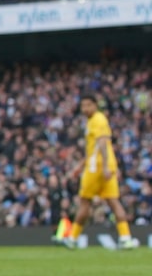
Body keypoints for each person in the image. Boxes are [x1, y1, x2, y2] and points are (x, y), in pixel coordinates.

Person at [57, 94, 138, 250]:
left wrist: (105, 166)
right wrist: (80, 166)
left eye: (88, 105)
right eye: (83, 106)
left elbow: (102, 142)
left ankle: (73, 239)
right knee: (114, 202)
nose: (85, 109)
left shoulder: (98, 120)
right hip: (102, 166)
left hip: (97, 168)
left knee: (85, 202)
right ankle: (126, 238)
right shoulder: (92, 121)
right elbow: (93, 148)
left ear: (95, 105)